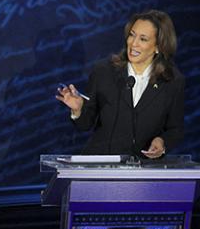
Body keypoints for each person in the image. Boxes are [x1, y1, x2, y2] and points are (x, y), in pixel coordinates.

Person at [56, 9, 185, 158]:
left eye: (143, 39)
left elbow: (175, 129)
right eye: (132, 35)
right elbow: (86, 124)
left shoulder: (172, 81)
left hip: (142, 170)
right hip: (101, 166)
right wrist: (78, 110)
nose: (133, 43)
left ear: (158, 46)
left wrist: (162, 141)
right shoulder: (104, 71)